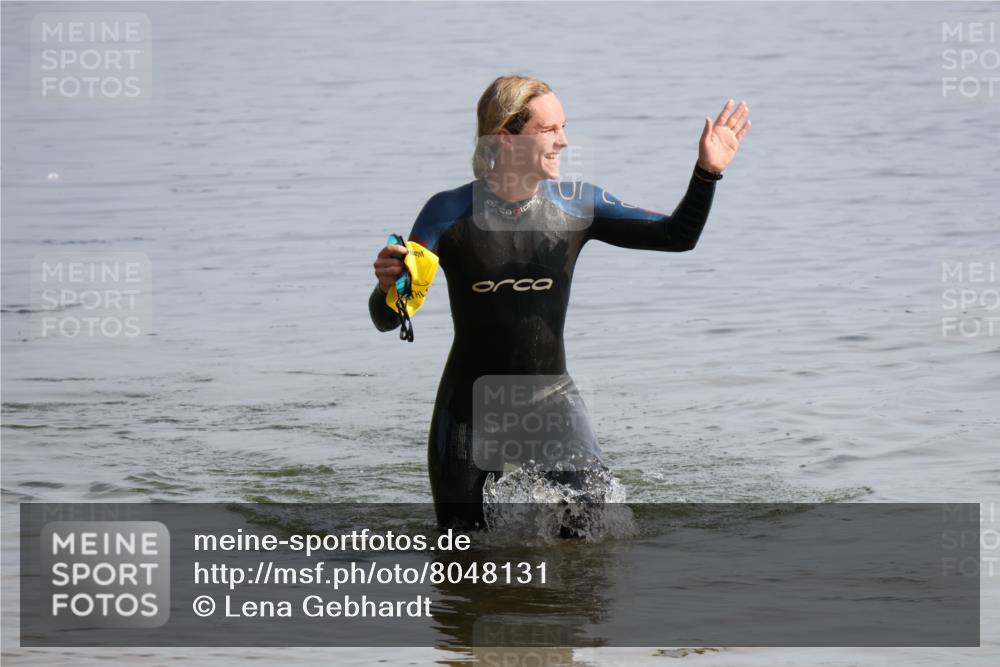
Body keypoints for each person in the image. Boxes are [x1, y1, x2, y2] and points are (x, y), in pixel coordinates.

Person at [370, 75, 750, 529]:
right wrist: (387, 285)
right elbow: (388, 317)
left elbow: (677, 236)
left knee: (592, 528)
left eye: (563, 127)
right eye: (549, 130)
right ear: (506, 138)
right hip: (468, 412)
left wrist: (707, 172)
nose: (564, 141)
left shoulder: (576, 206)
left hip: (551, 404)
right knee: (462, 550)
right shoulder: (447, 212)